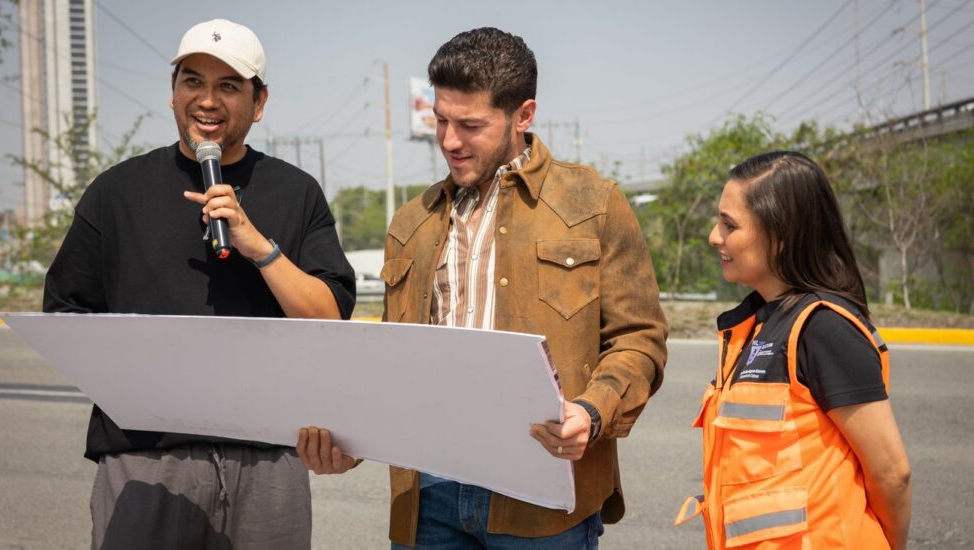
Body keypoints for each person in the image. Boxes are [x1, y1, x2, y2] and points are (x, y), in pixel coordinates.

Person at [299, 27, 668, 548]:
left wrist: (591, 411)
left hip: (543, 502)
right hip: (427, 499)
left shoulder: (594, 203)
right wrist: (350, 443)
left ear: (524, 115)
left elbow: (640, 340)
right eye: (441, 121)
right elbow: (391, 362)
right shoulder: (411, 221)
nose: (449, 141)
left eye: (470, 125)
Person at [43, 19, 355, 549]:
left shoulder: (296, 193)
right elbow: (68, 315)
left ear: (259, 103)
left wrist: (259, 245)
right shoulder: (115, 193)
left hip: (269, 458)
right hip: (146, 457)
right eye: (192, 82)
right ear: (172, 95)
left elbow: (329, 317)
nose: (206, 100)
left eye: (228, 86)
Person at [674, 151, 911, 549]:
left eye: (729, 225)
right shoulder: (752, 325)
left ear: (779, 235)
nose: (715, 236)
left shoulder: (824, 327)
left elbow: (891, 473)